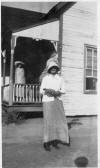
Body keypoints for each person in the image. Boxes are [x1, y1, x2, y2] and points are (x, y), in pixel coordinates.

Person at [40, 61, 70, 151]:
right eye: (51, 68)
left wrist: (58, 92)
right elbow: (41, 91)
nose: (53, 69)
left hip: (57, 100)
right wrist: (48, 91)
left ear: (57, 69)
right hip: (48, 101)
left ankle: (55, 141)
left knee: (59, 121)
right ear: (49, 69)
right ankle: (46, 142)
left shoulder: (60, 79)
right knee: (48, 121)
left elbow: (64, 90)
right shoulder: (46, 78)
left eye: (55, 68)